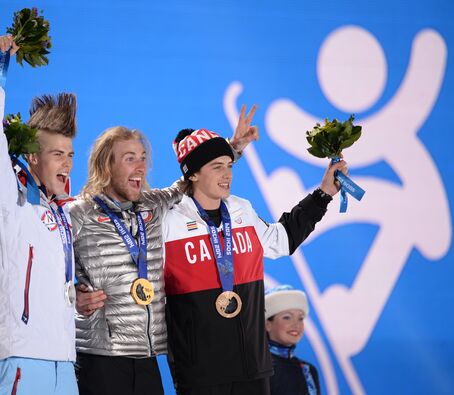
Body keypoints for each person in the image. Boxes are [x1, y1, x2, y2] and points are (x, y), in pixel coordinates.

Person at [70, 109, 257, 395]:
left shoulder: (153, 204)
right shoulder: (78, 213)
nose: (141, 166)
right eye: (130, 158)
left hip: (147, 358)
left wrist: (232, 148)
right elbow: (44, 272)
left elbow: (191, 180)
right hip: (99, 358)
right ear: (105, 165)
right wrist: (72, 297)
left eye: (143, 158)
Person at [162, 127, 347, 394]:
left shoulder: (241, 210)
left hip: (252, 365)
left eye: (229, 165)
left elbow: (281, 240)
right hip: (200, 370)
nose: (227, 174)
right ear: (192, 173)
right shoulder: (169, 220)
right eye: (217, 167)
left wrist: (323, 194)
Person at [0, 35, 78, 394]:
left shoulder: (58, 214)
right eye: (57, 154)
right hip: (18, 358)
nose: (67, 163)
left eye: (70, 154)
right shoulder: (6, 201)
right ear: (32, 157)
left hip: (64, 362)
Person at [264, 285, 320, 395]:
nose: (296, 324)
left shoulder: (308, 371)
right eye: (287, 317)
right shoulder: (258, 370)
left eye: (300, 318)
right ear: (267, 324)